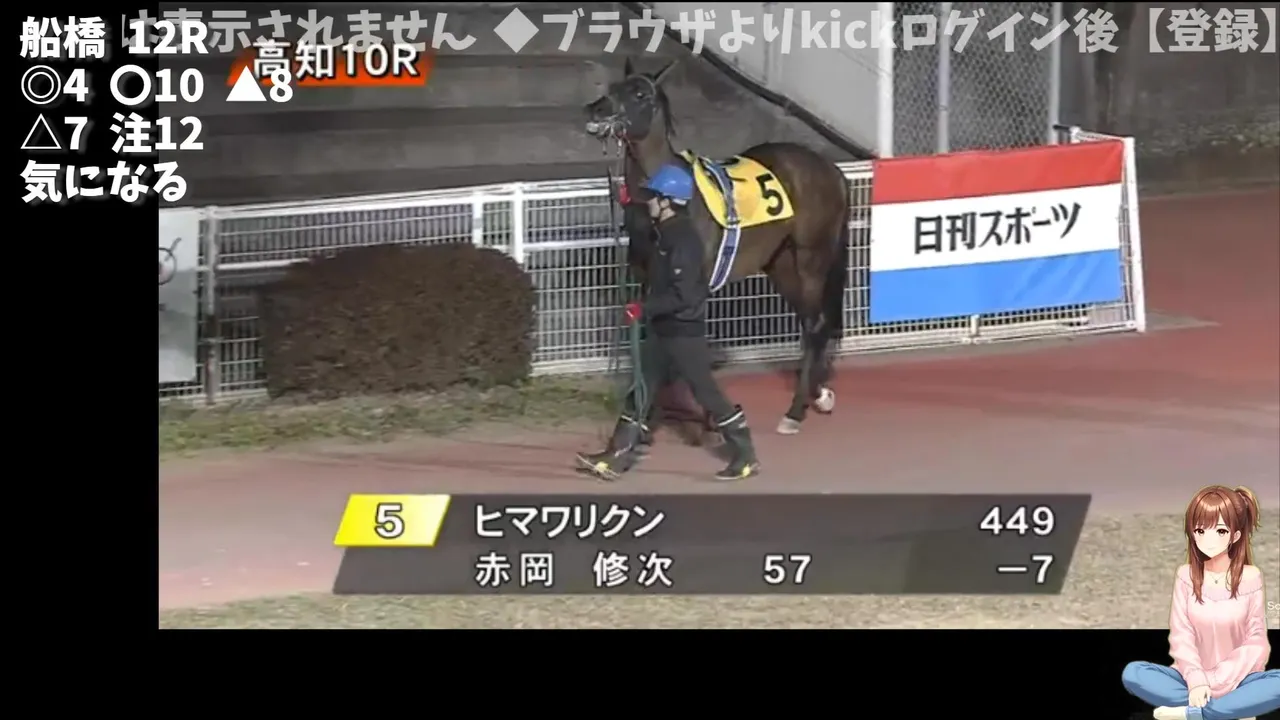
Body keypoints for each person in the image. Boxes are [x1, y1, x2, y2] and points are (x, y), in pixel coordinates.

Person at [576, 163, 760, 482]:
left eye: (652, 197)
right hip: (664, 329)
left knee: (707, 394)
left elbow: (684, 295)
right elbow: (644, 241)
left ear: (667, 202)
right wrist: (628, 205)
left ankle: (745, 457)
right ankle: (616, 456)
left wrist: (643, 308)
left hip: (683, 333)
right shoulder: (667, 232)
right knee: (642, 390)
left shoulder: (683, 241)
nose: (648, 201)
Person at [1121, 485, 1279, 720]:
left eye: (1221, 531)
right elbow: (1181, 635)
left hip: (1239, 679)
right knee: (1133, 673)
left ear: (1235, 536)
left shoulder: (1250, 577)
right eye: (1200, 530)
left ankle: (1194, 713)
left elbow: (1256, 641)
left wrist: (1216, 681)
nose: (1209, 540)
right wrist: (1196, 680)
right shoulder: (1185, 576)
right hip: (1189, 679)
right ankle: (1230, 710)